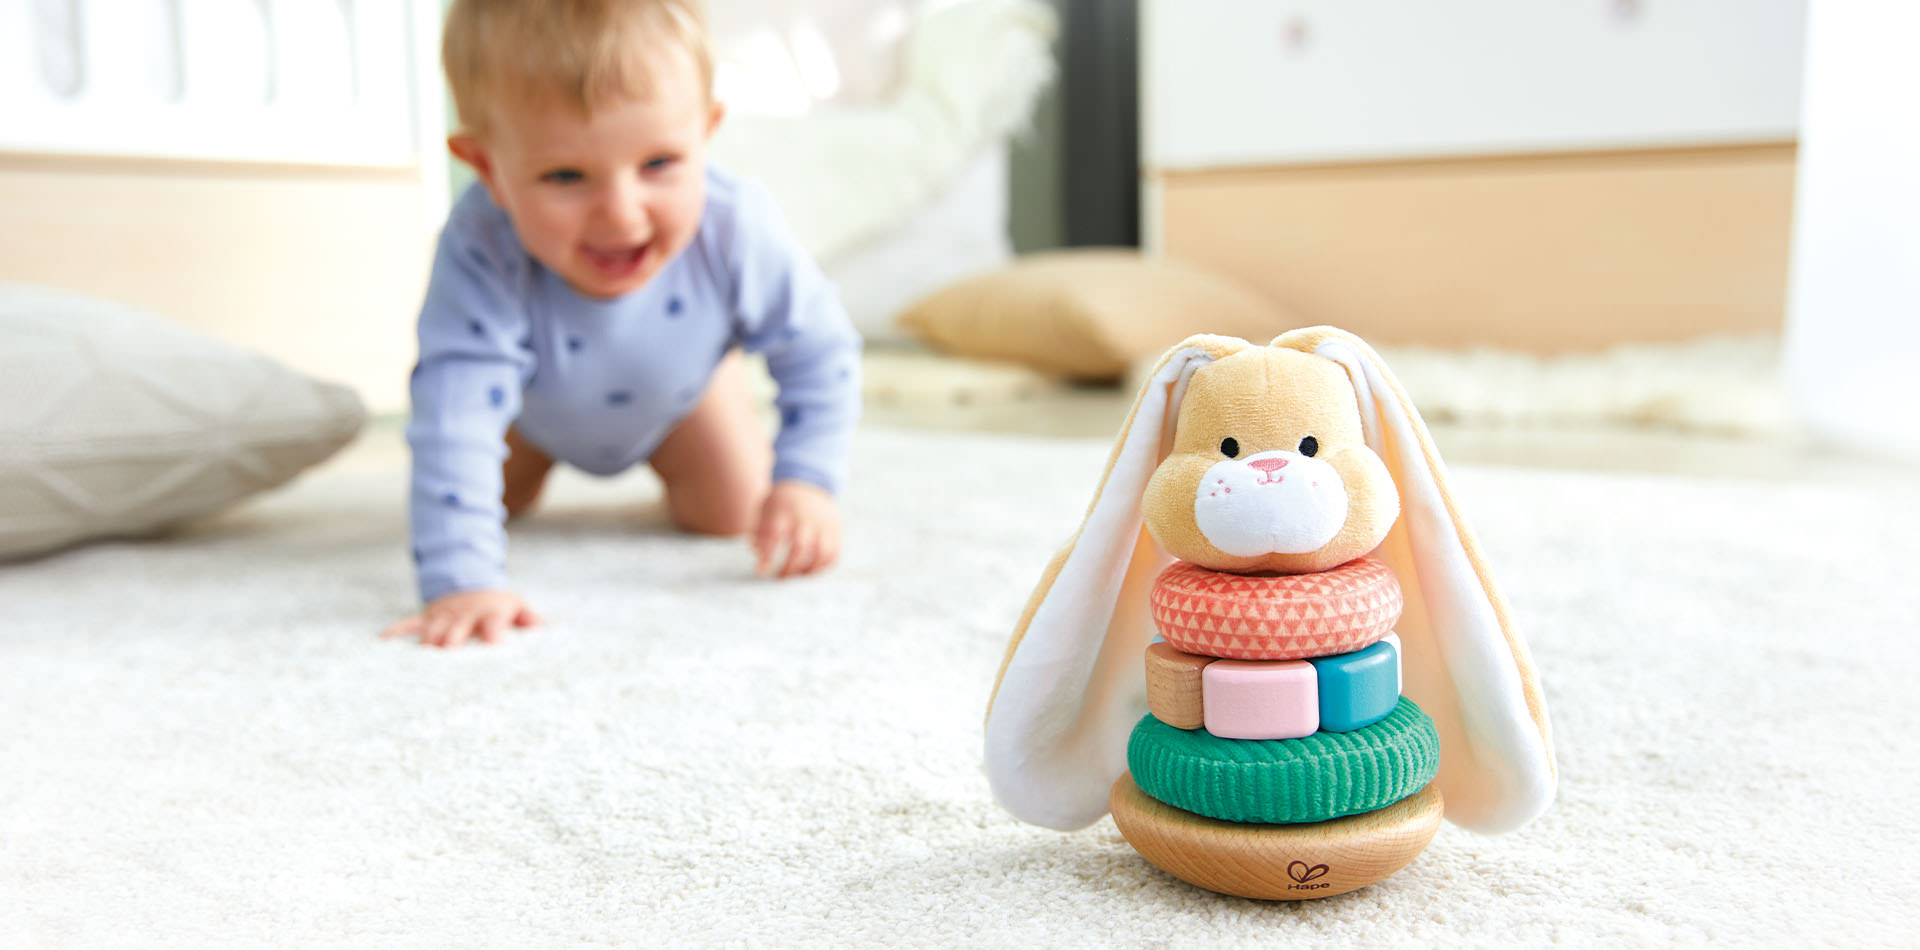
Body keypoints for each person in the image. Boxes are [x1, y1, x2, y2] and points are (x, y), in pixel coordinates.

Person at [382, 0, 861, 649]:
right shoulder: (480, 248)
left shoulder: (736, 227)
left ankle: (716, 378)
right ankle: (530, 469)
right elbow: (454, 413)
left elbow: (820, 351)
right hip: (523, 407)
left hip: (680, 396)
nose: (621, 214)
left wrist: (808, 481)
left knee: (734, 513)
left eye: (659, 163)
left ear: (707, 132)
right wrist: (460, 581)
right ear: (487, 168)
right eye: (565, 176)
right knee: (477, 501)